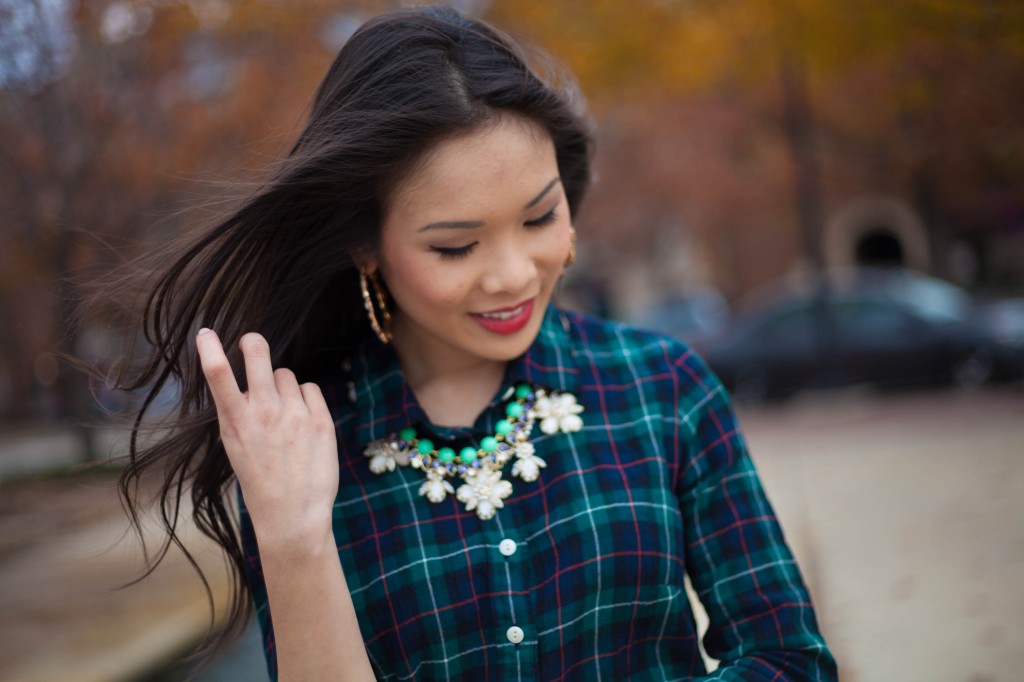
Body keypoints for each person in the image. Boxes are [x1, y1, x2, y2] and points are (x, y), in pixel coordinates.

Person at [116, 5, 837, 680]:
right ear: (367, 245)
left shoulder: (665, 387)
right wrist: (293, 536)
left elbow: (789, 658)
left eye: (540, 216)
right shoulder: (302, 445)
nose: (515, 275)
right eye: (457, 246)